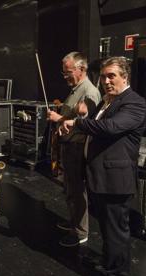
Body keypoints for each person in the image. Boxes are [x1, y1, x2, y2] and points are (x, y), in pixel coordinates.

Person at [61, 56, 146, 276]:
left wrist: (77, 123)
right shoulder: (107, 101)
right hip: (100, 177)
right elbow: (98, 126)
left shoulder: (134, 102)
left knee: (117, 231)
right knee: (107, 230)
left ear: (125, 77)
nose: (107, 81)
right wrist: (84, 116)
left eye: (112, 76)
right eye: (103, 76)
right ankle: (108, 263)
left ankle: (117, 274)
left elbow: (110, 127)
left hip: (116, 180)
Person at [47, 51, 101, 247]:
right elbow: (73, 114)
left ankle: (80, 232)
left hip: (78, 148)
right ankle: (74, 222)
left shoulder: (90, 91)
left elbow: (85, 123)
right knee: (70, 189)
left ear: (82, 69)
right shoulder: (76, 88)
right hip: (68, 146)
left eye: (68, 72)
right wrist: (59, 112)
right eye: (64, 73)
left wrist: (59, 118)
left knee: (77, 191)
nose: (65, 76)